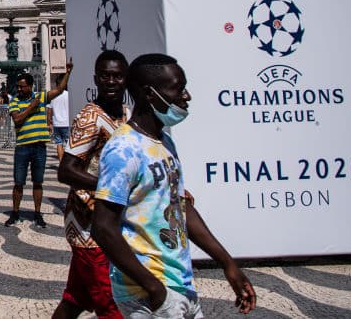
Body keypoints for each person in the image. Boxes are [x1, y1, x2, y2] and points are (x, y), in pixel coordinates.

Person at [92, 53, 256, 318]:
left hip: (179, 283)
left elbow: (178, 206)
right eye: (178, 89)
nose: (186, 96)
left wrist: (227, 263)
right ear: (149, 94)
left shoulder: (164, 142)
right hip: (148, 290)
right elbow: (103, 227)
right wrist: (154, 289)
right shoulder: (123, 149)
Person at [53, 50, 130, 319]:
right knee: (111, 304)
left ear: (126, 79)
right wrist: (110, 186)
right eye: (105, 76)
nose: (111, 82)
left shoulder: (126, 115)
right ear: (96, 79)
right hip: (90, 225)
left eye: (117, 76)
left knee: (76, 298)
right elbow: (67, 171)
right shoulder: (90, 117)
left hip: (110, 220)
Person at [5, 60, 73, 227]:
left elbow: (59, 90)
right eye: (18, 86)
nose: (19, 89)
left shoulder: (41, 97)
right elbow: (17, 119)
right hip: (22, 147)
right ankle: (15, 212)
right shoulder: (14, 101)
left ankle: (37, 213)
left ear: (30, 86)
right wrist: (32, 107)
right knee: (19, 182)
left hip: (39, 147)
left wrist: (68, 73)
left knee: (38, 182)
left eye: (22, 86)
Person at [48, 85, 71, 161]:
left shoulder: (53, 96)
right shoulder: (69, 95)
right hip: (67, 123)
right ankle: (68, 162)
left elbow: (49, 110)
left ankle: (61, 162)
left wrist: (49, 123)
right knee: (69, 144)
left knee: (59, 143)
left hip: (56, 123)